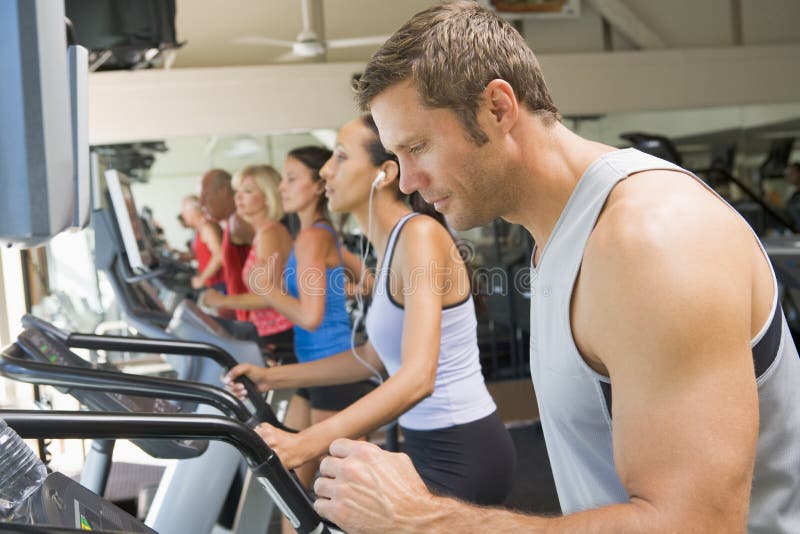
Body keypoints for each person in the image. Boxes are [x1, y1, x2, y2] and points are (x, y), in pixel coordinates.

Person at [308, 2, 800, 533]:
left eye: (418, 147)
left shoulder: (649, 238)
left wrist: (424, 518)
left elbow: (694, 524)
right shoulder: (556, 238)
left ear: (497, 108)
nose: (405, 182)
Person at [225, 122, 516, 507]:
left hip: (462, 448)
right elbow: (373, 359)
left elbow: (417, 378)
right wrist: (271, 376)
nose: (327, 170)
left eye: (341, 157)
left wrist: (306, 443)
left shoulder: (420, 236)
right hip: (426, 444)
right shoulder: (387, 245)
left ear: (386, 172)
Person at [225, 147, 374, 499]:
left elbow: (310, 316)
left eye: (292, 179)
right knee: (297, 486)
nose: (282, 187)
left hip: (331, 366)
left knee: (341, 494)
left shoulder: (312, 237)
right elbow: (363, 282)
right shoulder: (315, 235)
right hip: (315, 367)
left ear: (318, 186)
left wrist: (268, 290)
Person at [203, 165, 294, 347]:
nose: (238, 197)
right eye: (238, 191)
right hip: (267, 330)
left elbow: (269, 297)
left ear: (267, 197)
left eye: (248, 191)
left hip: (279, 334)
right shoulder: (263, 233)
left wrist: (222, 301)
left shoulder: (270, 233)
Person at [199, 168, 255, 322]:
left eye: (205, 196)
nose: (202, 203)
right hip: (245, 314)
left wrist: (224, 301)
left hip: (255, 318)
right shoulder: (231, 224)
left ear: (223, 191)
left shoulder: (239, 223)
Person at [179, 194, 226, 291]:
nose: (183, 215)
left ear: (193, 211)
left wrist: (202, 278)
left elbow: (219, 255)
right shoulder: (200, 229)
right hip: (213, 284)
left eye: (184, 211)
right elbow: (206, 254)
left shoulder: (207, 228)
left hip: (220, 283)